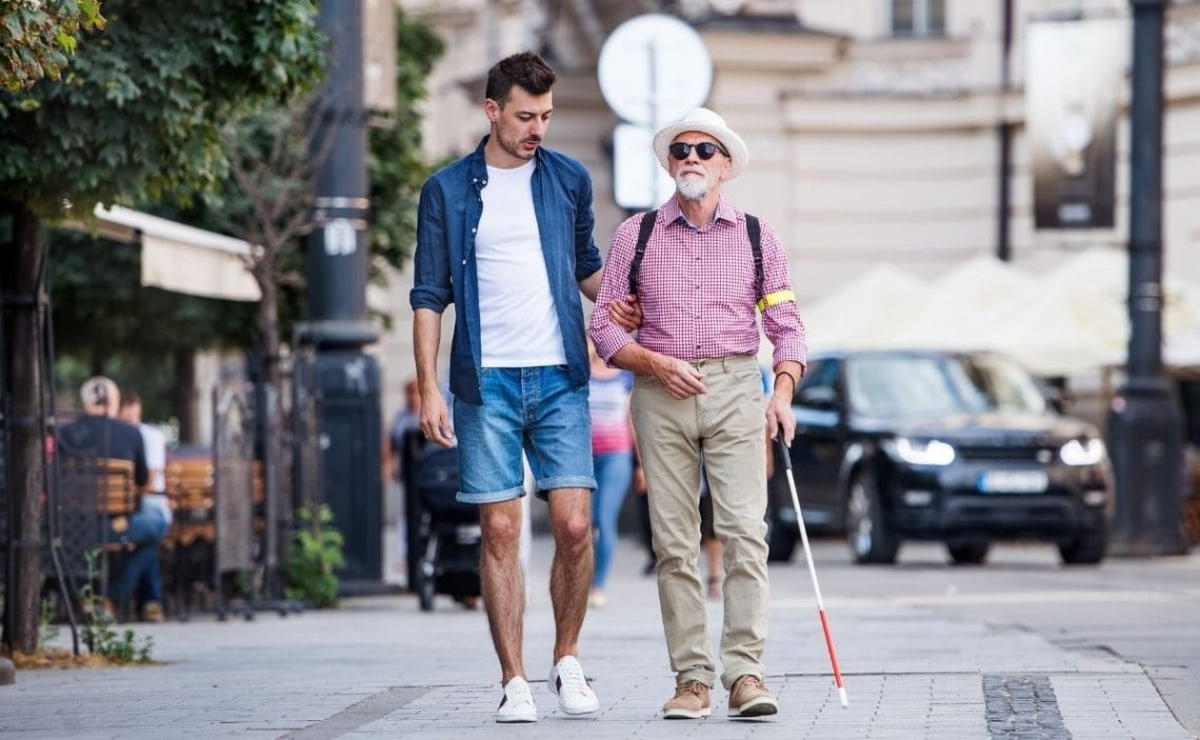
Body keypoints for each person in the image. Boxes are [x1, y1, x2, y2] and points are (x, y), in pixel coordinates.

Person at [409, 51, 636, 723]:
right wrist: (428, 389)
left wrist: (625, 305)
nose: (538, 128)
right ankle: (514, 679)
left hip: (561, 376)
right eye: (526, 116)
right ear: (493, 110)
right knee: (501, 530)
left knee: (573, 523)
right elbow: (427, 297)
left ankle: (566, 659)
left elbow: (590, 271)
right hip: (486, 382)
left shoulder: (566, 179)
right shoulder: (446, 191)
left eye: (546, 115)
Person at [589, 107, 807, 720]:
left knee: (744, 534)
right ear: (668, 163)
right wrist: (653, 363)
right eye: (681, 150)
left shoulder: (759, 237)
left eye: (705, 151)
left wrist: (782, 392)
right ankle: (692, 680)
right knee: (675, 544)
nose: (691, 158)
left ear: (726, 166)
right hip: (660, 394)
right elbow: (602, 326)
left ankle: (745, 676)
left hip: (737, 386)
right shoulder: (636, 235)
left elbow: (787, 327)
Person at [56, 377, 157, 622]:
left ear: (85, 401)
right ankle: (111, 596)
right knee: (157, 529)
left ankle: (88, 598)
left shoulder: (65, 433)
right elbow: (142, 480)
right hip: (117, 523)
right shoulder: (132, 433)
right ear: (114, 402)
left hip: (74, 527)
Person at [585, 339, 634, 609]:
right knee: (582, 523)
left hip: (616, 455)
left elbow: (633, 419)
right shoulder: (580, 373)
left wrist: (642, 466)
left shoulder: (625, 375)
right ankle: (581, 579)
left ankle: (599, 583)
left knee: (604, 518)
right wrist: (588, 354)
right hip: (583, 456)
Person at [117, 392, 172, 622]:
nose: (132, 423)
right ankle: (151, 602)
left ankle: (113, 596)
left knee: (152, 524)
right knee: (150, 536)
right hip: (126, 508)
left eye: (134, 418)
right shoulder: (115, 436)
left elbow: (148, 481)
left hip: (149, 505)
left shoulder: (150, 436)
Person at [389, 379, 426, 591]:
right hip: (408, 475)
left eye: (415, 394)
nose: (412, 399)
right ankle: (407, 556)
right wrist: (389, 465)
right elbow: (389, 442)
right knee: (405, 518)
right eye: (409, 394)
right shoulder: (401, 418)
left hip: (431, 475)